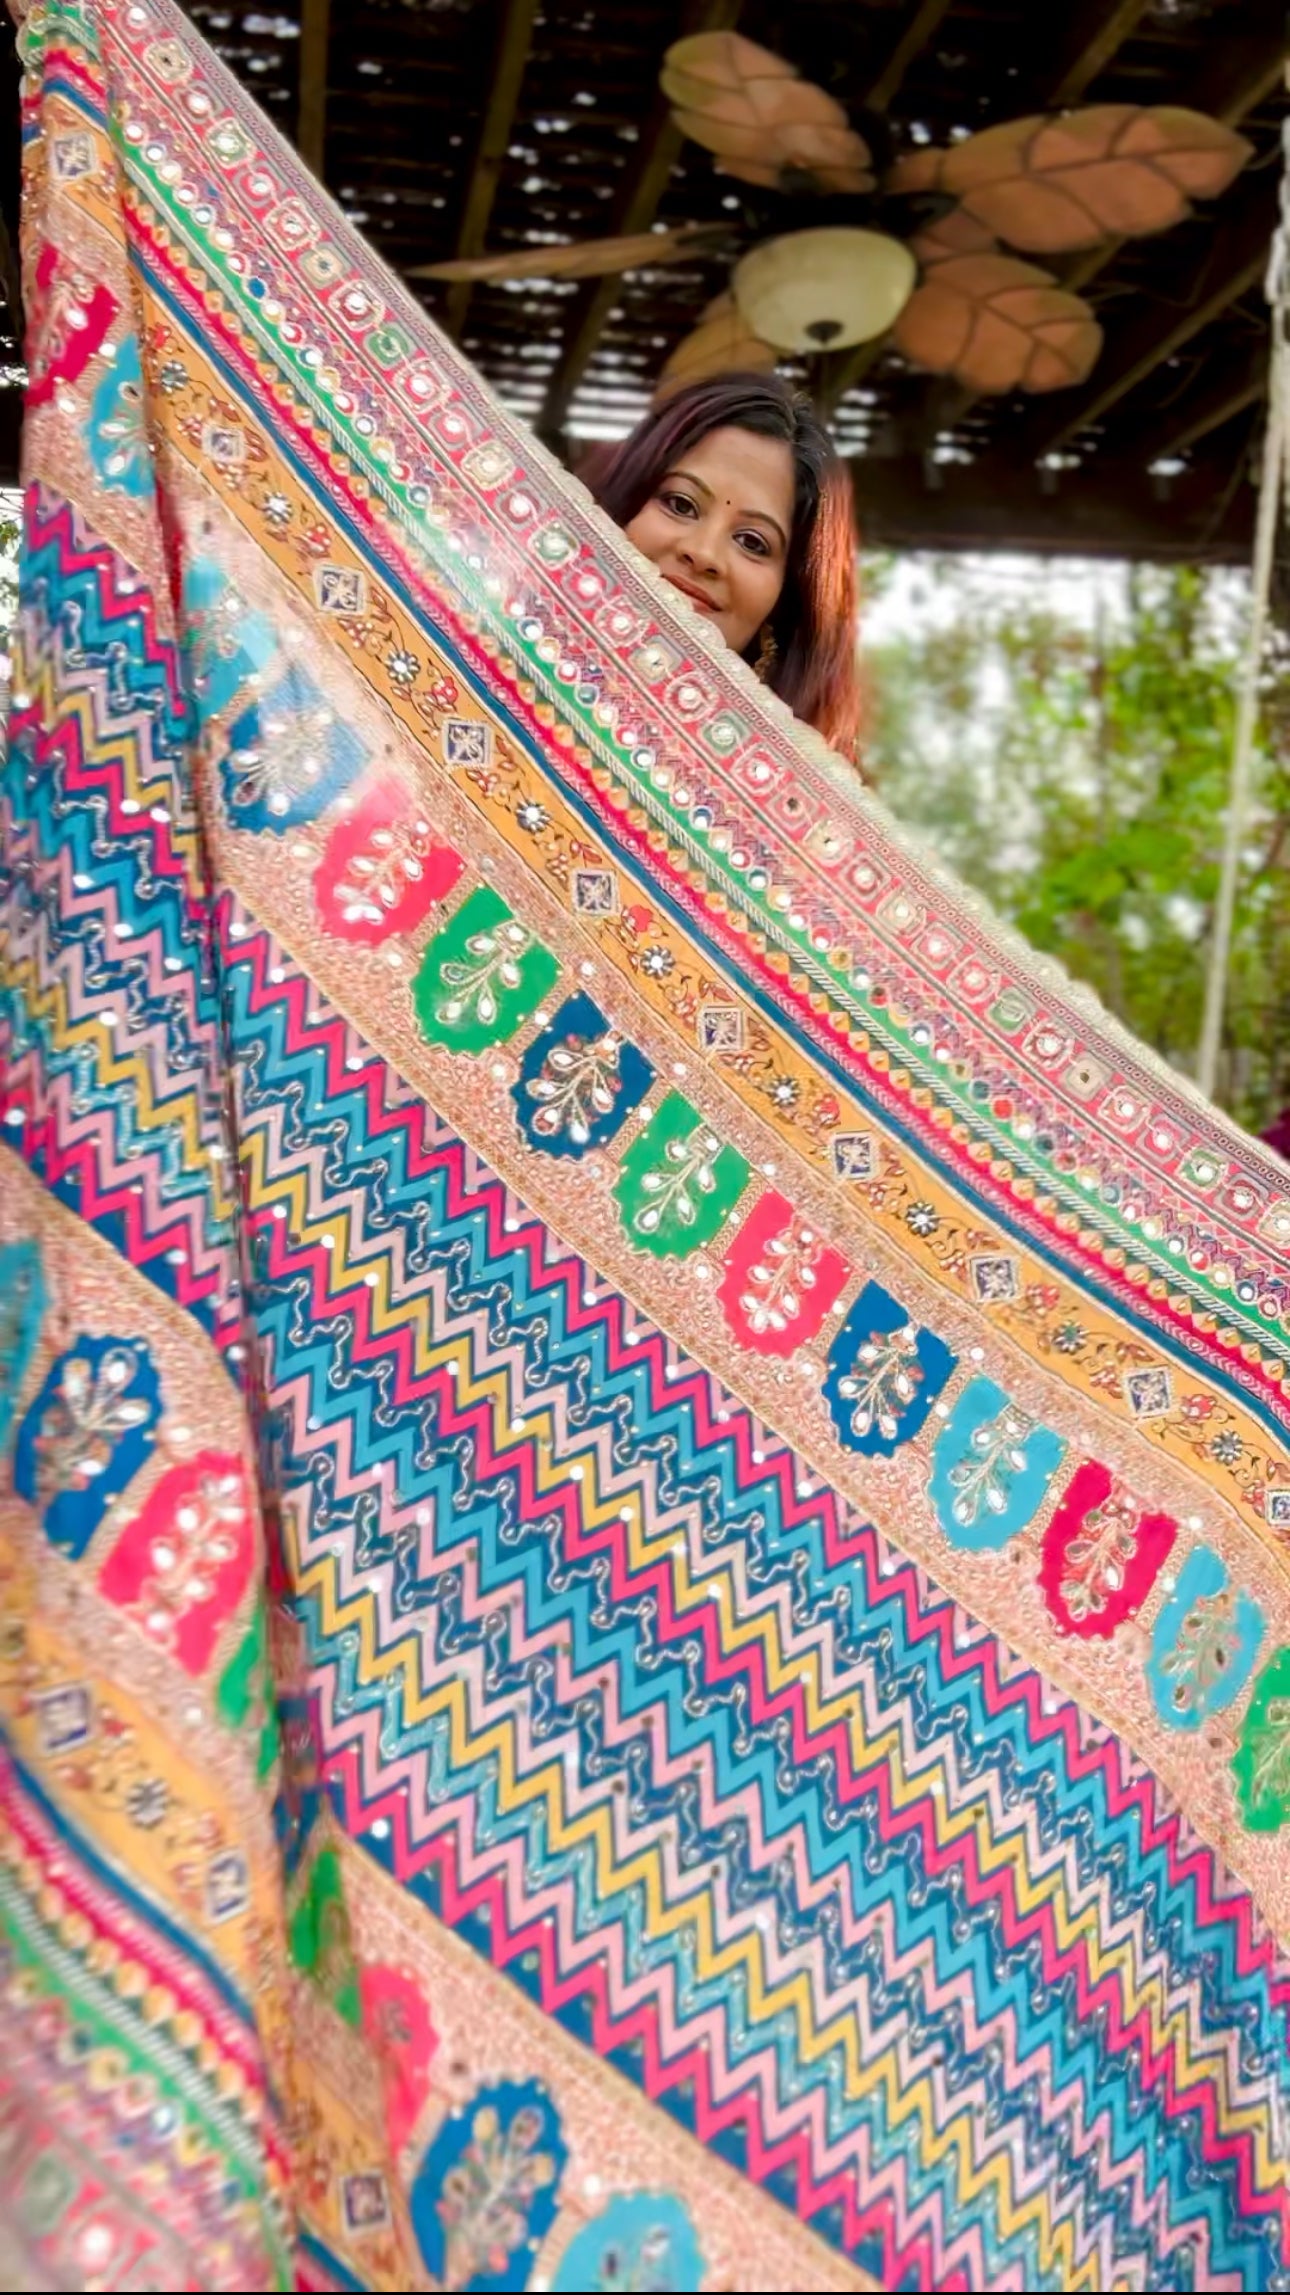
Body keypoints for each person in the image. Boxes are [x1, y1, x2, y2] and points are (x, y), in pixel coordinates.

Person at [586, 372, 863, 761]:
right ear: (619, 508)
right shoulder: (478, 663)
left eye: (752, 542)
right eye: (680, 504)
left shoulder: (792, 812)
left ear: (784, 603)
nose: (702, 553)